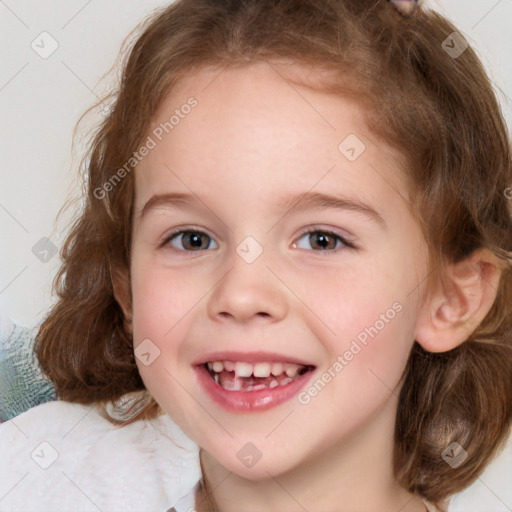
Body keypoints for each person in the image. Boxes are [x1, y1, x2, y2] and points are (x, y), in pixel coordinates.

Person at [1, 0, 511, 510]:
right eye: (191, 239)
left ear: (451, 299)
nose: (241, 295)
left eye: (322, 240)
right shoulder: (37, 476)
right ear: (126, 287)